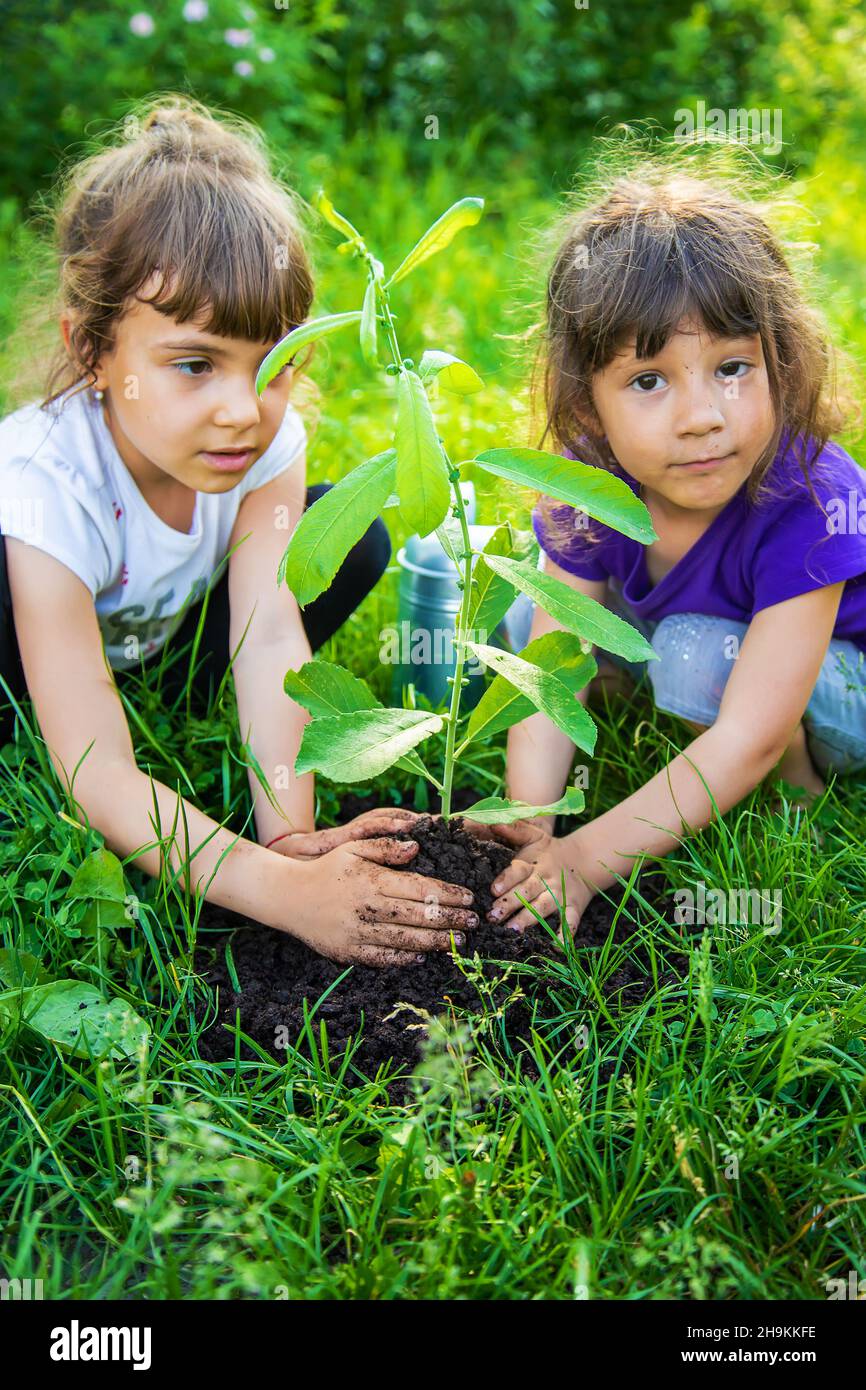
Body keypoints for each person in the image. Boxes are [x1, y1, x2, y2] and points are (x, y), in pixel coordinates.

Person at [0, 97, 478, 964]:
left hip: (159, 646)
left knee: (349, 538)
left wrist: (289, 837)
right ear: (94, 352)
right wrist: (281, 894)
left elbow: (264, 638)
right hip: (30, 662)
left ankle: (175, 708)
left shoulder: (265, 444)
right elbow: (95, 769)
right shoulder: (43, 483)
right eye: (193, 365)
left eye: (273, 364)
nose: (241, 412)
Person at [486, 148, 866, 932]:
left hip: (840, 687)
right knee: (532, 626)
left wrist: (587, 860)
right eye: (650, 380)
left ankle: (799, 804)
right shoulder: (587, 479)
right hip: (699, 644)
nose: (702, 416)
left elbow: (751, 731)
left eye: (732, 367)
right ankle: (664, 726)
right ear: (587, 408)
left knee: (695, 656)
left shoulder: (808, 492)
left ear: (781, 366)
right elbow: (555, 668)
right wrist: (529, 825)